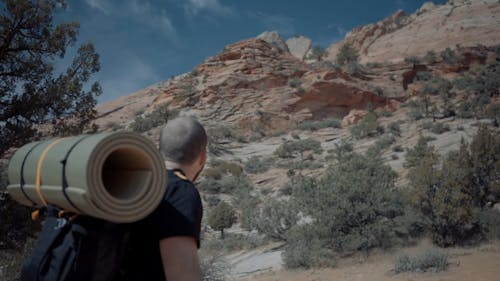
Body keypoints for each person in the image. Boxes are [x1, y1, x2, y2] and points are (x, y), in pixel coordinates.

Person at [119, 116, 207, 281]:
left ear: (160, 149)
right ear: (203, 157)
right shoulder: (180, 191)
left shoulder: (135, 182)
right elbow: (184, 276)